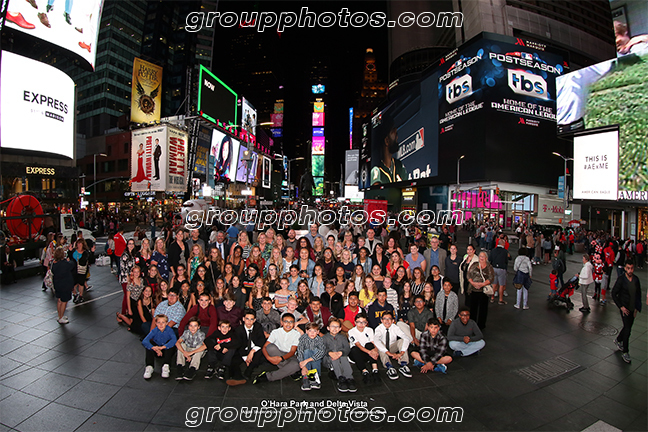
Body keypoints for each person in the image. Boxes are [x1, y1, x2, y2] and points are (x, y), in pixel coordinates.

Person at [253, 313, 301, 384]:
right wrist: (268, 358)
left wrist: (281, 358)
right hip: (277, 353)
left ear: (294, 323)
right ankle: (290, 371)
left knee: (296, 365)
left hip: (290, 356)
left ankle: (268, 376)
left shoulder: (296, 334)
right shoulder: (275, 332)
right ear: (281, 322)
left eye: (291, 322)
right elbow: (264, 347)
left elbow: (292, 352)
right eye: (286, 321)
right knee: (270, 347)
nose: (288, 324)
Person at [611, 262, 642, 364]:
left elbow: (638, 294)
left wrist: (637, 308)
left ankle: (618, 339)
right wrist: (621, 307)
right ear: (625, 268)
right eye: (628, 268)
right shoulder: (621, 280)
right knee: (628, 330)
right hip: (625, 309)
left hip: (632, 308)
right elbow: (614, 293)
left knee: (627, 327)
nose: (630, 270)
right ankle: (625, 351)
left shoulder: (636, 280)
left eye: (632, 268)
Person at [373, 311, 412, 380]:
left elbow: (406, 338)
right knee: (380, 344)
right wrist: (389, 354)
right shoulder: (378, 329)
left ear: (393, 320)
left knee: (402, 340)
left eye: (389, 319)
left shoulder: (395, 327)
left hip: (392, 347)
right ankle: (389, 366)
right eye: (385, 319)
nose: (387, 321)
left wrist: (401, 353)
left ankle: (403, 364)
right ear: (381, 320)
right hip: (383, 350)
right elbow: (376, 341)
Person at [232, 309, 268, 381]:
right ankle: (237, 376)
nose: (249, 321)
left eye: (251, 319)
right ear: (243, 319)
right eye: (247, 319)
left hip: (255, 348)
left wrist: (252, 351)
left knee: (260, 352)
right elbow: (239, 344)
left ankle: (249, 370)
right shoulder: (238, 330)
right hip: (244, 349)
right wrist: (246, 358)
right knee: (234, 359)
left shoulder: (258, 327)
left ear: (254, 320)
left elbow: (261, 340)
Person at [322, 317, 356, 392]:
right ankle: (340, 378)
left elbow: (347, 348)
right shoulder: (324, 338)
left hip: (341, 358)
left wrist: (341, 352)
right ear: (328, 328)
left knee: (343, 356)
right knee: (334, 355)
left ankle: (349, 378)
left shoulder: (342, 337)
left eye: (337, 327)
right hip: (328, 359)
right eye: (332, 326)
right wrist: (330, 353)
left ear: (340, 329)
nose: (335, 328)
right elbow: (322, 349)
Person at [348, 313, 380, 384]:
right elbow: (358, 345)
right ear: (355, 322)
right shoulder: (351, 332)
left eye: (364, 322)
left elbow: (374, 342)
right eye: (359, 322)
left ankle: (375, 370)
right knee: (355, 349)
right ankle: (365, 372)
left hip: (367, 353)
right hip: (356, 355)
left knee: (369, 345)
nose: (361, 325)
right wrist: (370, 352)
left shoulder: (370, 330)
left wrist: (375, 351)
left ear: (366, 323)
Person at [142, 314, 177, 379]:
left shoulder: (169, 330)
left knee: (171, 344)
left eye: (163, 322)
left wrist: (162, 347)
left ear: (166, 323)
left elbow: (174, 340)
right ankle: (149, 367)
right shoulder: (154, 330)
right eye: (159, 322)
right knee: (149, 344)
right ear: (156, 323)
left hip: (166, 351)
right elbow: (145, 341)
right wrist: (154, 348)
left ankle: (166, 366)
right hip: (157, 350)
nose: (161, 324)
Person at [466, 251, 494, 329]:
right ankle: (472, 323)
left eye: (483, 256)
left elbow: (491, 278)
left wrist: (482, 284)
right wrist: (473, 283)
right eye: (480, 256)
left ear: (486, 258)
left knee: (483, 309)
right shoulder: (474, 265)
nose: (481, 258)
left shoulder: (489, 267)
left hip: (484, 291)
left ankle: (481, 325)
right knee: (473, 308)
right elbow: (468, 274)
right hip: (473, 290)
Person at [175, 317, 207, 381]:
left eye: (195, 326)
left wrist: (190, 353)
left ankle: (193, 368)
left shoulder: (201, 334)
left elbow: (205, 346)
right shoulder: (186, 332)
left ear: (198, 327)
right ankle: (180, 366)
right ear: (188, 327)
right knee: (182, 345)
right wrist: (185, 353)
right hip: (187, 350)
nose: (193, 328)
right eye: (191, 326)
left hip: (195, 351)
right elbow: (177, 343)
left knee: (200, 347)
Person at [297, 323, 326, 391]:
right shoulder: (303, 339)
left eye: (314, 331)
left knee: (316, 351)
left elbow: (322, 352)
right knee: (306, 351)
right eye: (310, 331)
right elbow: (300, 351)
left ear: (318, 332)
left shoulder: (320, 339)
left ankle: (315, 376)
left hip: (313, 359)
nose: (312, 333)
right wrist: (303, 365)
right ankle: (306, 376)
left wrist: (307, 360)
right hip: (305, 358)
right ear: (306, 331)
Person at [51, 247, 75, 324]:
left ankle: (59, 316)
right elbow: (72, 264)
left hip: (57, 284)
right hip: (65, 285)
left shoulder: (54, 263)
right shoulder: (65, 264)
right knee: (64, 301)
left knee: (59, 300)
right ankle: (61, 317)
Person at [489, 239, 510, 304]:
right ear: (503, 244)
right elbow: (507, 260)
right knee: (501, 285)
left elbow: (490, 259)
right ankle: (500, 299)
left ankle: (492, 298)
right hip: (501, 269)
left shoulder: (493, 250)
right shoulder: (505, 251)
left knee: (494, 284)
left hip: (493, 268)